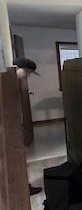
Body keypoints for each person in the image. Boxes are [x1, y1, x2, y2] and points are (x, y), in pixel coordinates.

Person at [13, 58, 42, 195]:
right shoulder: (8, 80)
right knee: (15, 159)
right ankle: (21, 188)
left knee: (19, 159)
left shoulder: (13, 82)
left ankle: (23, 186)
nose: (28, 76)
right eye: (28, 72)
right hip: (9, 131)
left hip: (14, 127)